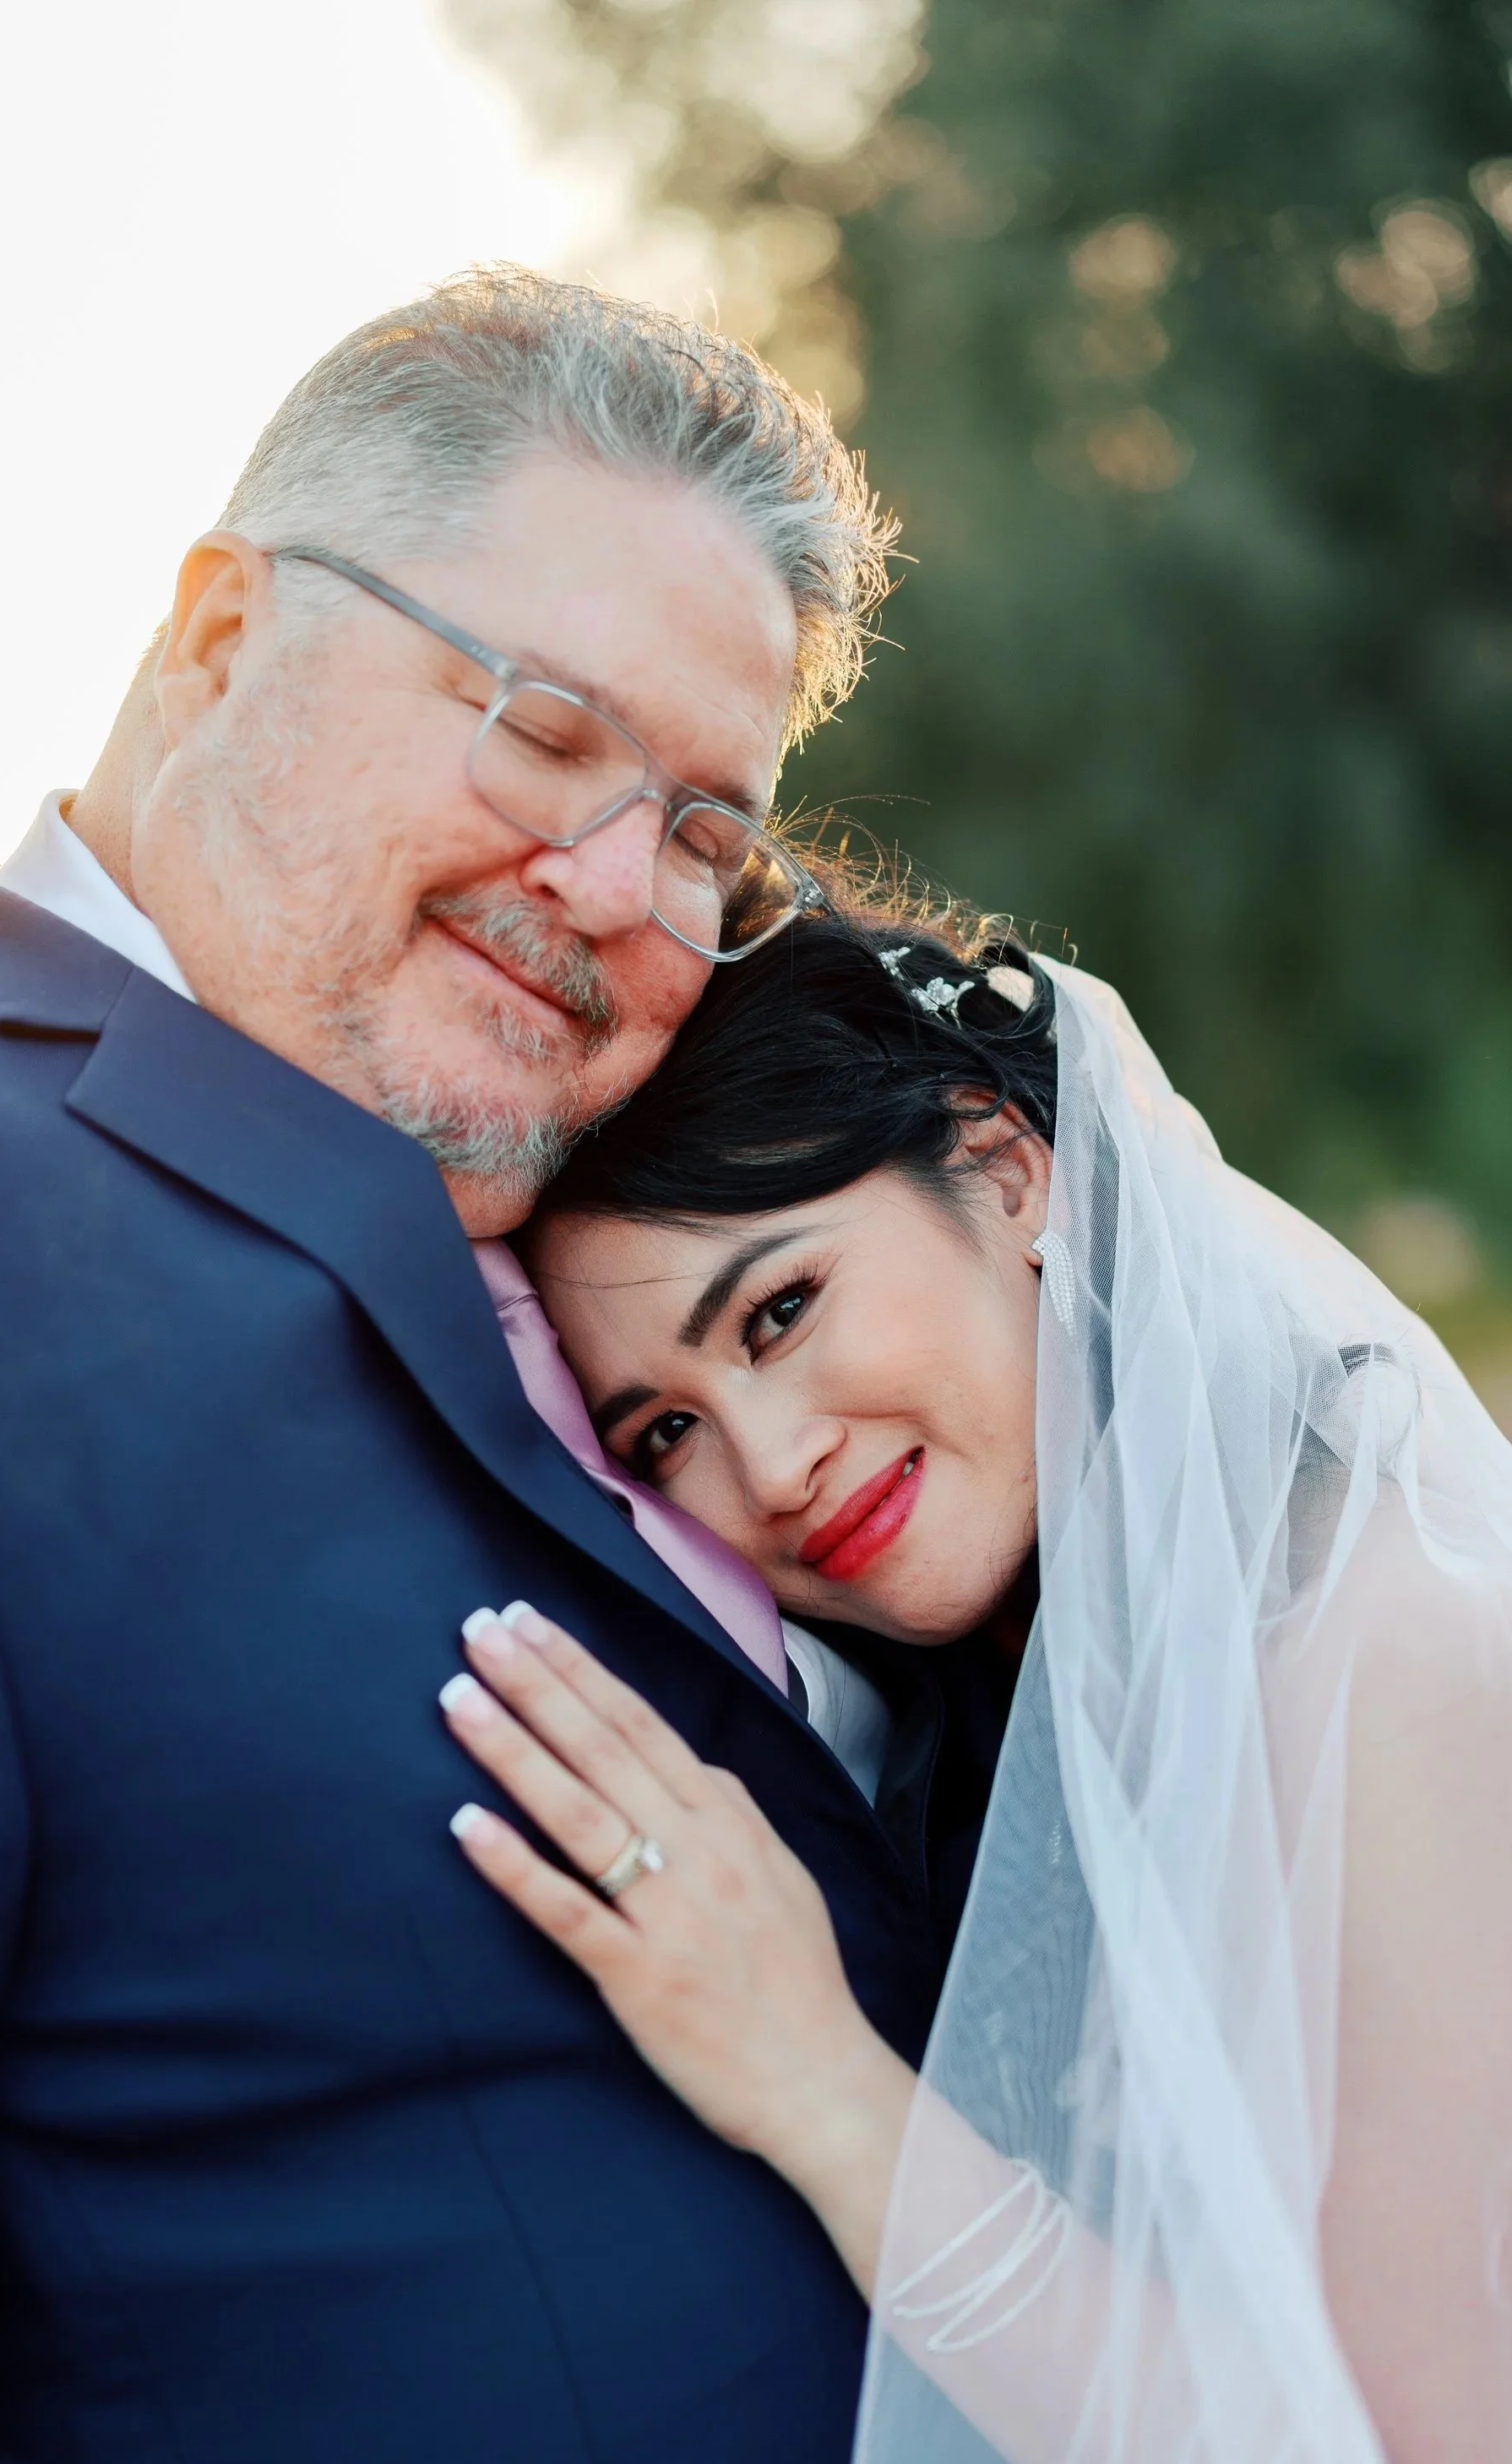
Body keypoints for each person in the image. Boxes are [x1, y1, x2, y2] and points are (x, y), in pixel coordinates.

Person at [0, 271, 940, 2464]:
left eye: (712, 832)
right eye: (545, 732)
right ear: (220, 631)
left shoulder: (687, 1211)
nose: (622, 884)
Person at [438, 903, 1512, 2463]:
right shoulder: (1008, 1714)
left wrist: (813, 2080)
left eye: (782, 1308)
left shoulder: (1388, 1664)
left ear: (1004, 1171)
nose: (772, 1463)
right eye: (663, 1431)